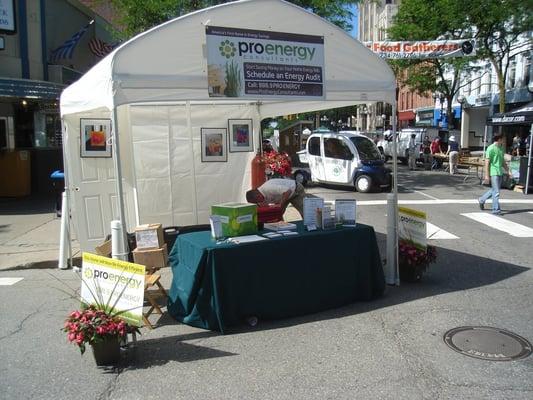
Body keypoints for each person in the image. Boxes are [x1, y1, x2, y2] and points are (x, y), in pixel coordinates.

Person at [478, 135, 512, 215]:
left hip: (500, 172)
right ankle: (495, 210)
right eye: (502, 140)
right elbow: (487, 163)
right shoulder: (490, 148)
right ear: (499, 139)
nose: (503, 141)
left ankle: (481, 200)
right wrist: (487, 175)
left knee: (494, 190)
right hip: (494, 172)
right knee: (496, 192)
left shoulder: (501, 148)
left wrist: (508, 171)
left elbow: (503, 162)